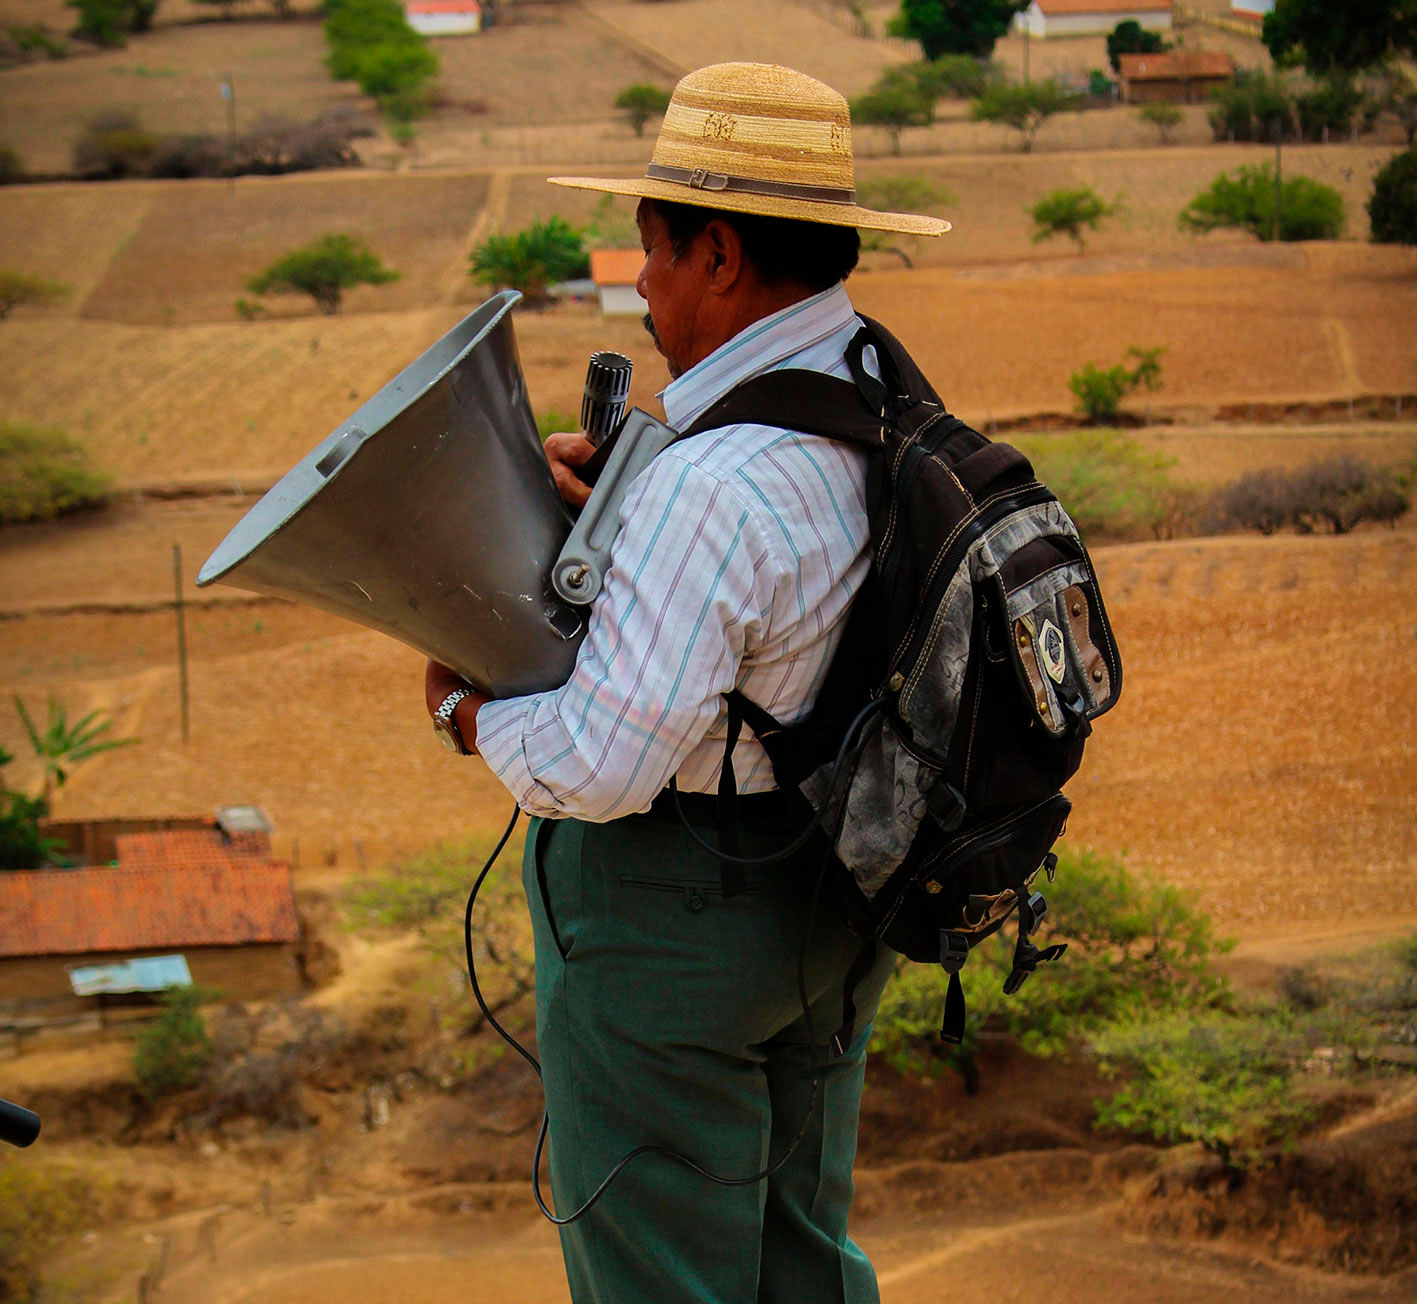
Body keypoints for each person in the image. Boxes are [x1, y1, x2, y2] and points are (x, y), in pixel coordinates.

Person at [424, 62, 949, 1304]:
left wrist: (462, 708)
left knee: (661, 1271)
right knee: (798, 1259)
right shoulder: (877, 384)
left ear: (717, 254)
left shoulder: (714, 485)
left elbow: (598, 766)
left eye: (651, 250)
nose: (640, 280)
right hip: (832, 896)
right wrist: (625, 502)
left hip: (674, 929)